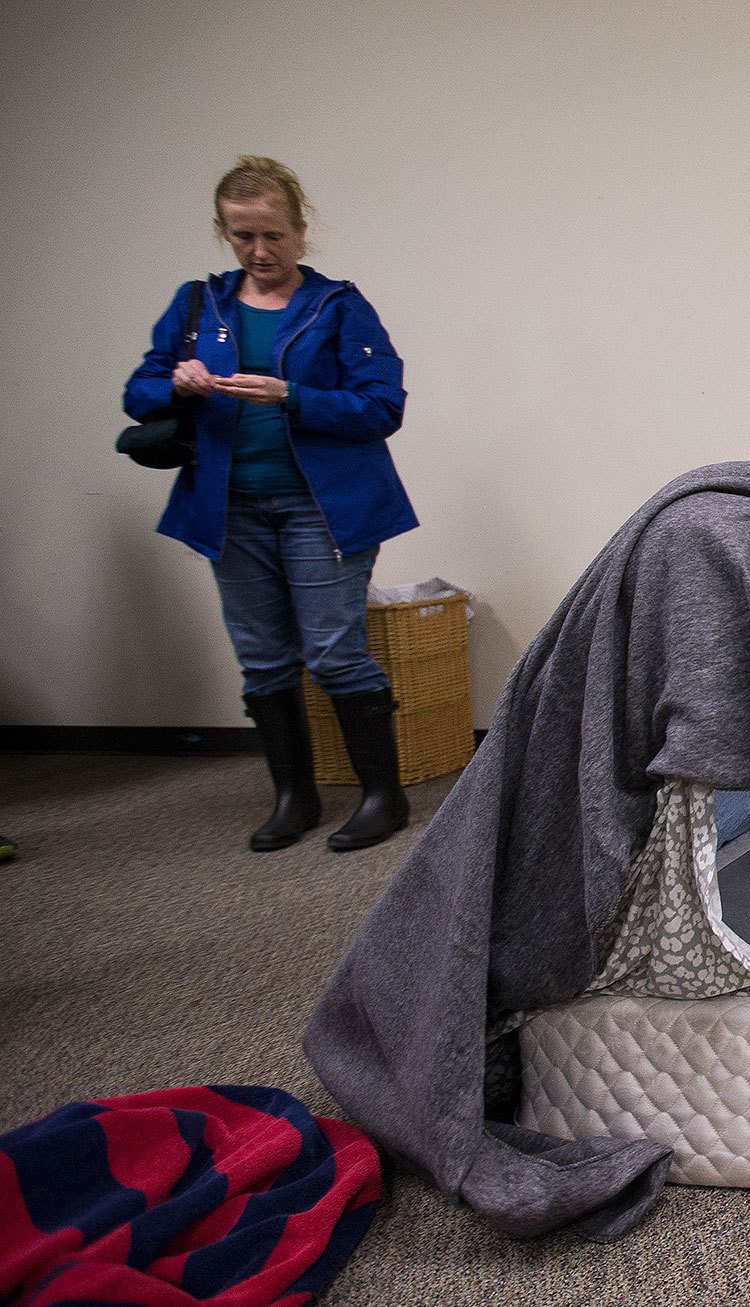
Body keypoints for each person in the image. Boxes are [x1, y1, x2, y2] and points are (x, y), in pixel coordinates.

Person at [122, 157, 418, 853]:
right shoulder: (200, 306)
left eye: (273, 236)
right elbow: (138, 395)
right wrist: (177, 383)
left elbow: (383, 407)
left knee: (335, 653)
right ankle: (295, 795)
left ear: (300, 229)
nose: (259, 252)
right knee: (262, 659)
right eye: (242, 236)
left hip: (323, 509)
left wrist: (292, 395)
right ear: (223, 232)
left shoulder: (338, 306)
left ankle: (384, 796)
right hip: (229, 508)